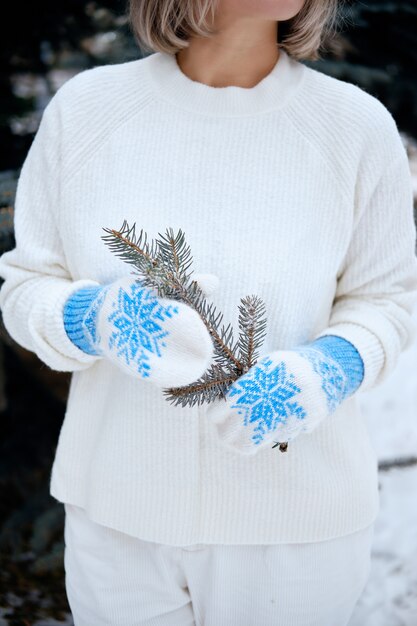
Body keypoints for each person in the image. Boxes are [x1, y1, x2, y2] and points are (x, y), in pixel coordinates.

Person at [1, 0, 417, 623]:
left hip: (294, 533)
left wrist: (330, 369)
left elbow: (389, 301)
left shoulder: (355, 127)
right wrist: (92, 318)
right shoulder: (86, 112)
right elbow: (26, 284)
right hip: (119, 519)